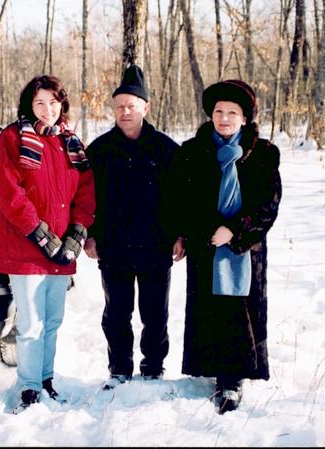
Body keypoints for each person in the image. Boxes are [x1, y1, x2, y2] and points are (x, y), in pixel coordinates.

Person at [172, 79, 282, 414]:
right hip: (207, 246)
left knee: (240, 309)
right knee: (211, 308)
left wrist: (233, 231)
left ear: (245, 118)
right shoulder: (192, 152)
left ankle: (233, 379)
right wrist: (207, 231)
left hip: (245, 249)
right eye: (219, 111)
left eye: (232, 112)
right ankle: (214, 369)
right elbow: (182, 201)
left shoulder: (263, 154)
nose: (224, 118)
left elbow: (268, 204)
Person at [0, 75, 95, 412]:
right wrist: (38, 232)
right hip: (27, 250)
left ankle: (46, 379)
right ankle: (29, 387)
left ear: (61, 104)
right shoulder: (12, 139)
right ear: (28, 106)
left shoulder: (71, 142)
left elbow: (85, 192)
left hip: (61, 251)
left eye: (53, 102)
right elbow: (9, 193)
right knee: (32, 323)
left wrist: (77, 233)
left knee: (52, 320)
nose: (47, 109)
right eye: (39, 103)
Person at [84, 64, 184, 390]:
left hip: (157, 245)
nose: (125, 112)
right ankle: (119, 369)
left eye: (131, 106)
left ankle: (153, 366)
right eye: (119, 107)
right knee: (117, 313)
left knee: (155, 313)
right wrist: (90, 235)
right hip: (114, 247)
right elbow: (87, 198)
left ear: (145, 107)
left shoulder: (167, 150)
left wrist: (181, 234)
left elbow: (181, 197)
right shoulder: (99, 151)